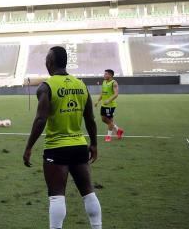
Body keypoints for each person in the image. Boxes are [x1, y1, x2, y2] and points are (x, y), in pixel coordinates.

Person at [23, 46, 101, 229]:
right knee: (89, 193)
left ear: (50, 62)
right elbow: (90, 118)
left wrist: (28, 147)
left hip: (56, 149)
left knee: (57, 195)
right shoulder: (81, 85)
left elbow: (41, 119)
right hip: (79, 146)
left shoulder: (46, 86)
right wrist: (94, 144)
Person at [95, 69, 124, 142]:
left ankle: (109, 136)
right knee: (104, 119)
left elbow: (116, 94)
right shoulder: (104, 82)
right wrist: (98, 100)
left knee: (110, 120)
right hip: (104, 105)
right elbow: (102, 92)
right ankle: (118, 130)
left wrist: (109, 100)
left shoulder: (114, 83)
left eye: (106, 74)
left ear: (110, 75)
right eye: (104, 74)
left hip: (110, 105)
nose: (104, 75)